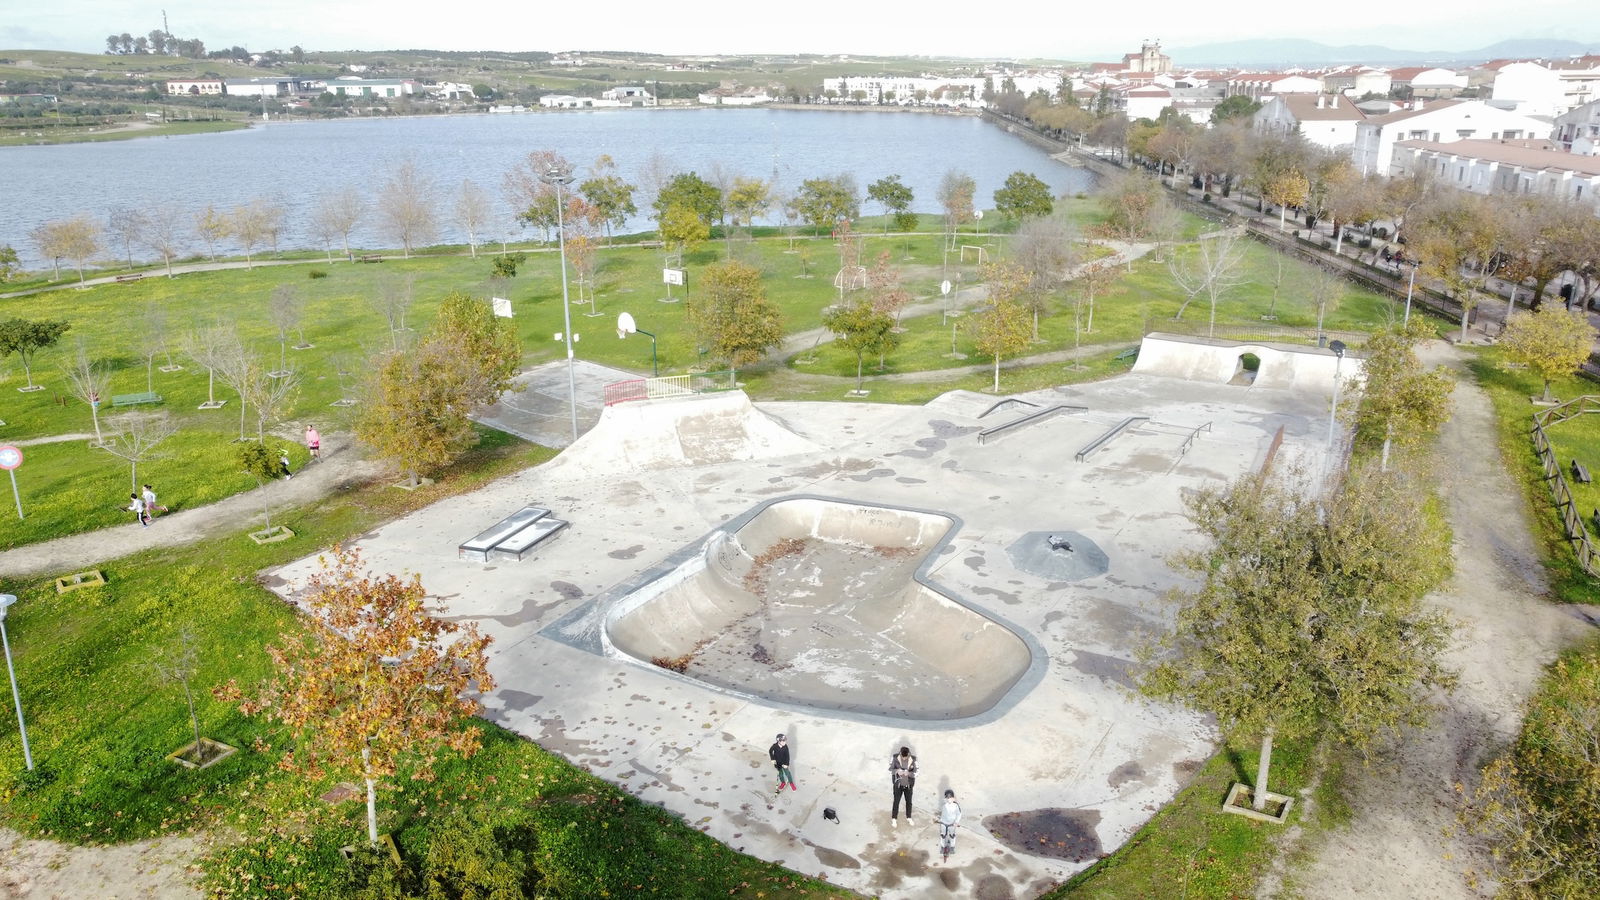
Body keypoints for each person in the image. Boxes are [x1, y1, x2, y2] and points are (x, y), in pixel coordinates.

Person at [889, 746, 917, 827]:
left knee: (909, 802)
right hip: (898, 785)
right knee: (896, 802)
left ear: (908, 754)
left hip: (908, 785)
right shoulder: (894, 757)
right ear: (900, 753)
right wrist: (897, 771)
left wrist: (909, 773)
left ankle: (909, 817)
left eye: (906, 757)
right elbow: (889, 769)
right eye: (902, 757)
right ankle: (894, 819)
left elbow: (917, 772)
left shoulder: (913, 759)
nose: (904, 759)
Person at [939, 789, 963, 854]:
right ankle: (942, 846)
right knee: (943, 835)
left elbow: (959, 814)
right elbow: (942, 803)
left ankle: (952, 847)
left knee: (952, 835)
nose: (949, 799)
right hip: (943, 823)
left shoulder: (956, 805)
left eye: (950, 797)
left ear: (953, 798)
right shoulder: (944, 804)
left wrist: (956, 822)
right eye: (947, 797)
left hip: (952, 824)